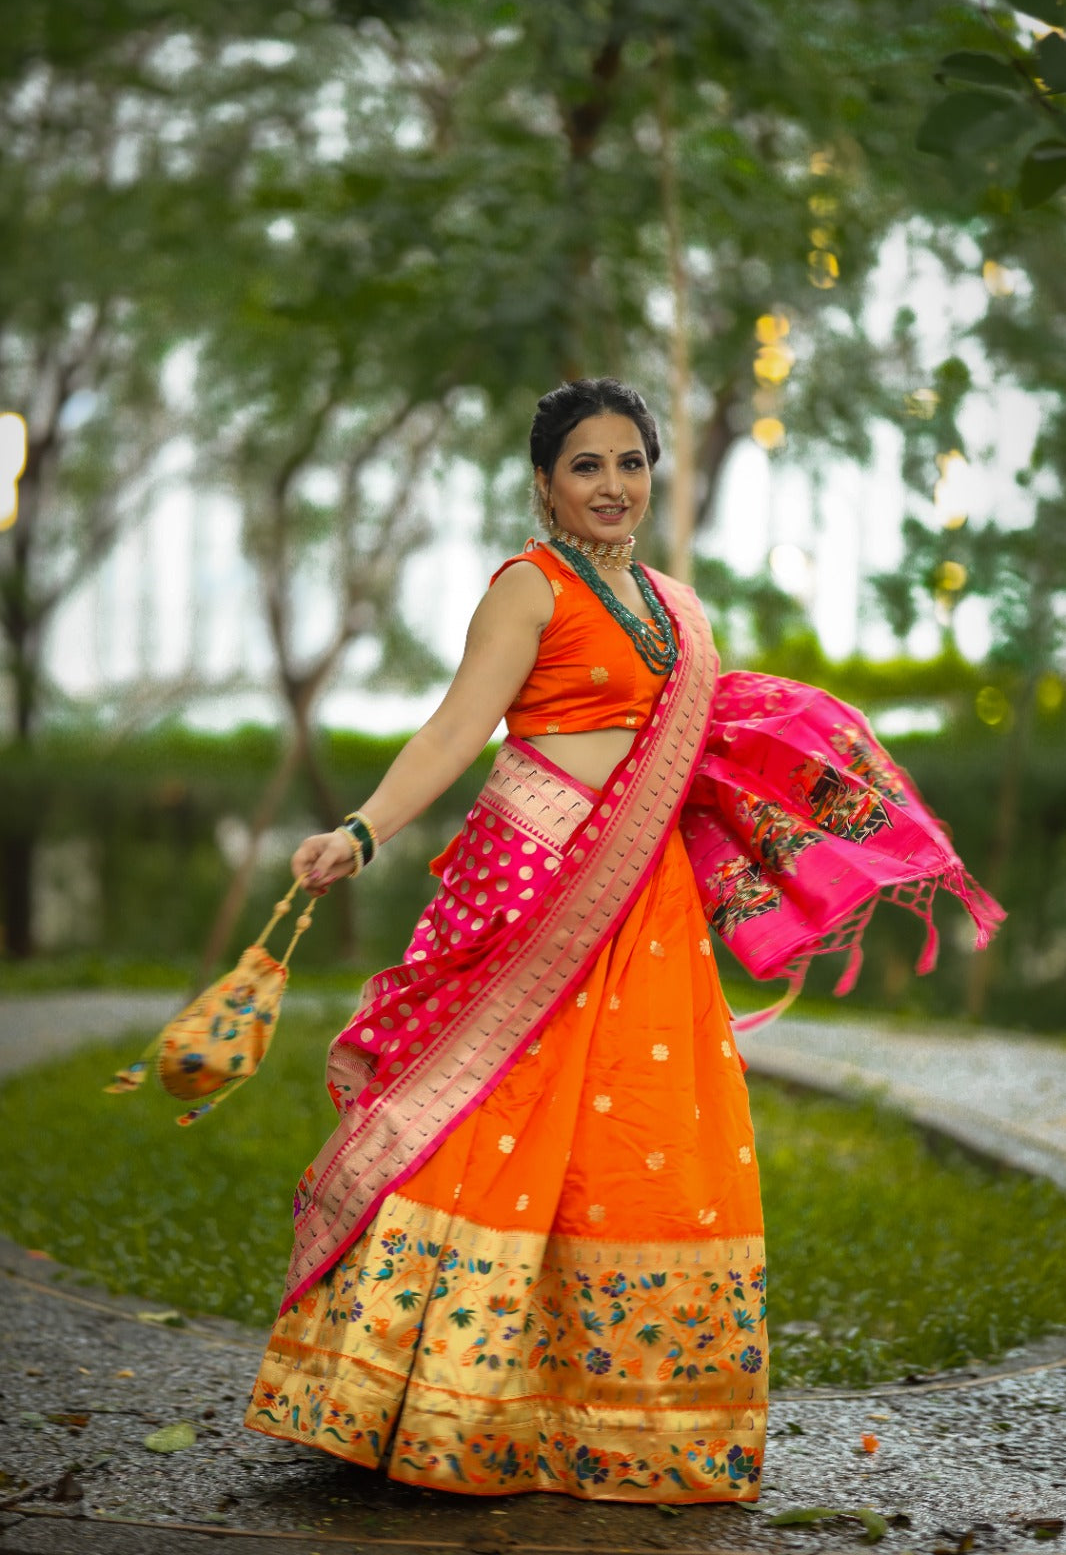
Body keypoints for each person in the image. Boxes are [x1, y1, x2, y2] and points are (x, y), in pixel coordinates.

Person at [243, 377, 1001, 1503]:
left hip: (641, 908)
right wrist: (363, 828)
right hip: (529, 888)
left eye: (630, 461)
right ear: (545, 482)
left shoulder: (675, 607)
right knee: (484, 1119)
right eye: (586, 464)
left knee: (639, 1139)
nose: (612, 483)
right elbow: (458, 723)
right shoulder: (527, 588)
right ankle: (415, 1404)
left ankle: (614, 1417)